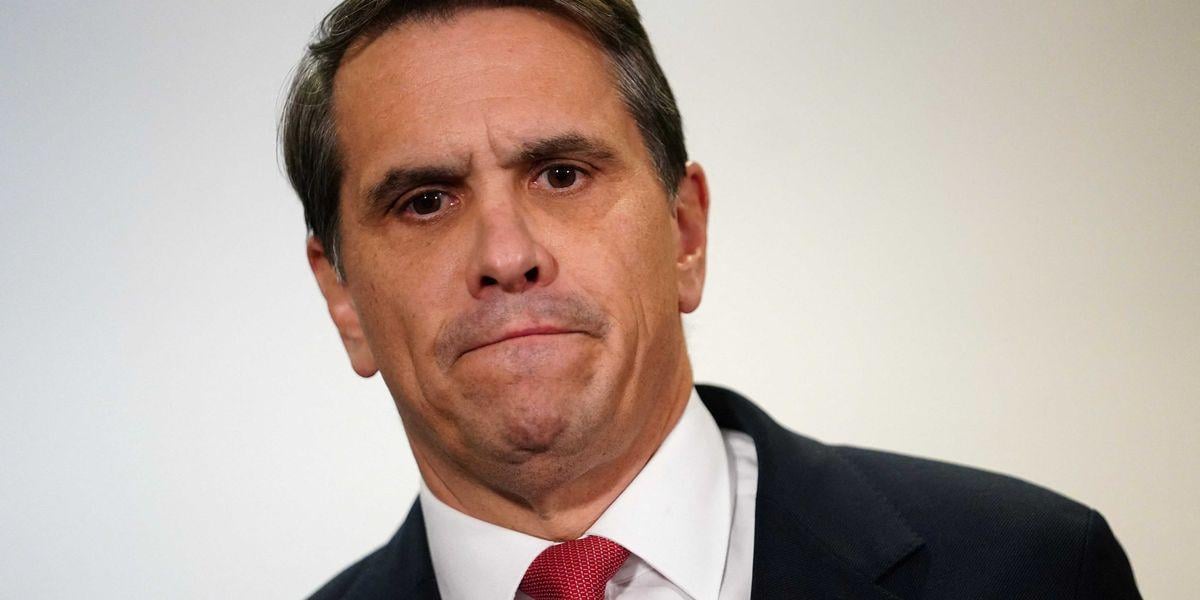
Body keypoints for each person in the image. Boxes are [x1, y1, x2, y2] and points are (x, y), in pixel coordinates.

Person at [280, 1, 1142, 598]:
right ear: (343, 298)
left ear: (685, 232)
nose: (507, 257)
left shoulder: (1034, 571)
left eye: (562, 174)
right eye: (425, 201)